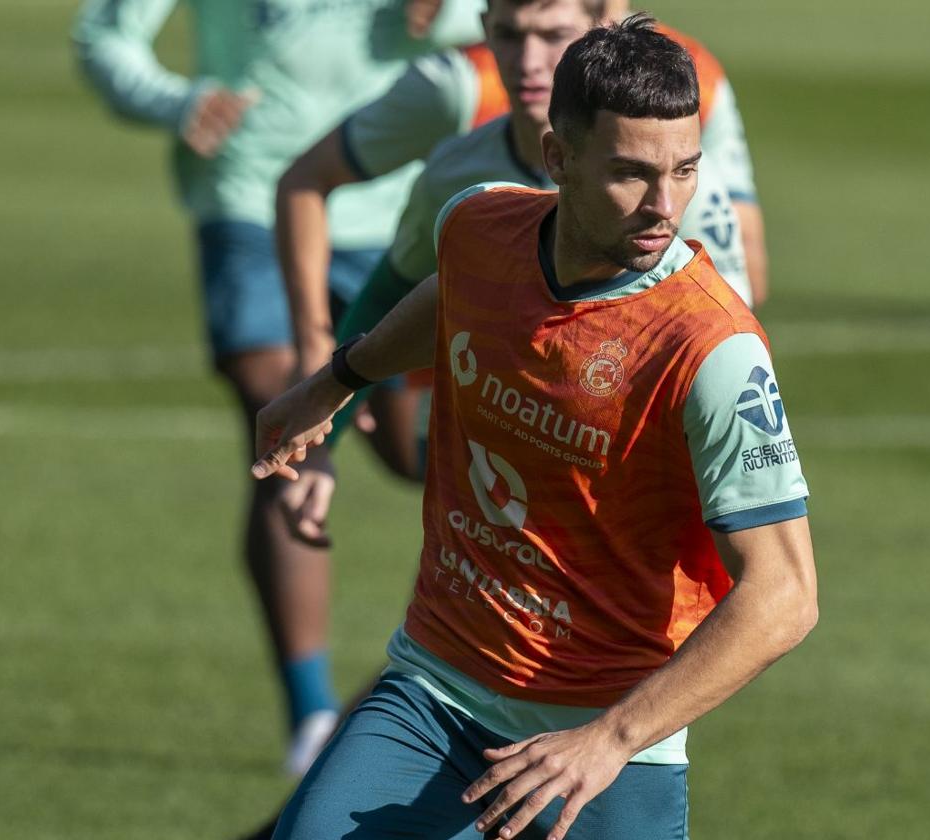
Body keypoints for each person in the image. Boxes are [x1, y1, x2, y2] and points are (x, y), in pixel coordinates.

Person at [252, 16, 817, 838]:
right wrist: (337, 382)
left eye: (684, 170)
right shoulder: (480, 222)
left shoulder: (713, 350)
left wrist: (609, 739)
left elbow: (787, 596)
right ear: (558, 159)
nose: (664, 207)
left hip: (603, 739)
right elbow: (456, 288)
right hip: (435, 695)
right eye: (629, 173)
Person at [71, 0, 484, 773]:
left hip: (386, 206)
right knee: (281, 427)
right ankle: (311, 722)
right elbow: (102, 35)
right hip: (252, 195)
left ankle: (479, 672)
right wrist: (180, 100)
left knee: (414, 454)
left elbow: (526, 29)